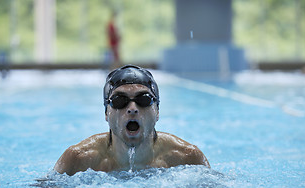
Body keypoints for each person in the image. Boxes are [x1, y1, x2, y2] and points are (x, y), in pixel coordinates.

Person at [54, 65, 210, 176]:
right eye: (119, 100)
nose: (132, 108)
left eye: (144, 99)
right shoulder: (77, 159)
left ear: (157, 111)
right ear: (107, 112)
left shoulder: (187, 158)